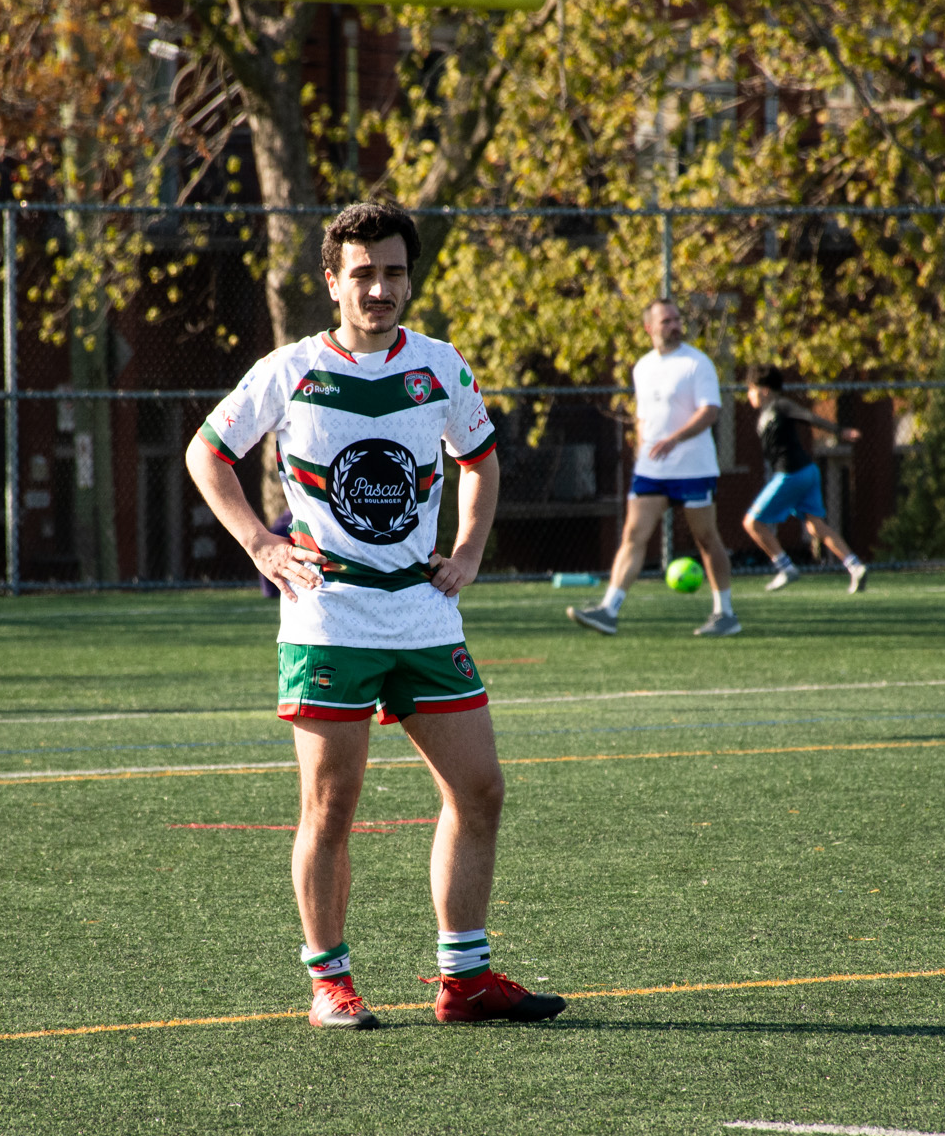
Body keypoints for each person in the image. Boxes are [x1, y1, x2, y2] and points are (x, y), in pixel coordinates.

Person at [183, 202, 565, 1032]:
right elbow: (206, 452)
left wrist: (467, 550)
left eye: (394, 272)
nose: (380, 288)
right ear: (332, 280)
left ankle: (463, 980)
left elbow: (481, 460)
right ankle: (331, 981)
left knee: (481, 788)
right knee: (332, 805)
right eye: (363, 273)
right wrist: (259, 541)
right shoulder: (289, 369)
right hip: (330, 616)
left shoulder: (439, 367)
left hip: (425, 615)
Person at [568, 298, 739, 637]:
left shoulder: (697, 363)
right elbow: (644, 417)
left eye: (677, 320)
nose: (675, 325)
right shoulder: (643, 366)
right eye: (666, 321)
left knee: (706, 538)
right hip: (653, 470)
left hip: (693, 468)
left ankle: (726, 614)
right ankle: (609, 610)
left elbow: (710, 412)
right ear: (649, 327)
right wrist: (643, 448)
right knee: (633, 535)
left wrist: (674, 439)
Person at [741, 366, 869, 593]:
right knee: (815, 526)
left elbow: (808, 416)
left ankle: (785, 567)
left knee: (752, 523)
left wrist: (840, 431)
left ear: (765, 390)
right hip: (805, 472)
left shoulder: (780, 405)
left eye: (751, 390)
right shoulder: (767, 411)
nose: (749, 395)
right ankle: (855, 566)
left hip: (792, 474)